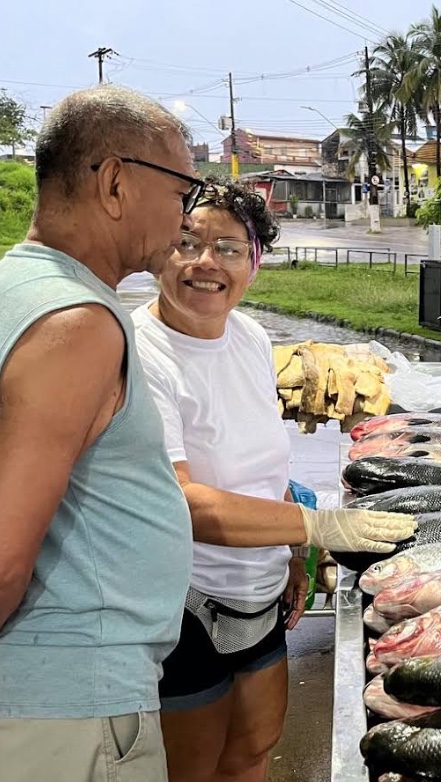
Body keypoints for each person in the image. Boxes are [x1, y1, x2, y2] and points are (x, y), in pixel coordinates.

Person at [132, 177, 416, 782]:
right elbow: (178, 499)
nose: (206, 263)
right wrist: (318, 523)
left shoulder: (252, 337)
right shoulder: (141, 351)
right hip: (184, 599)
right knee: (192, 766)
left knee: (255, 747)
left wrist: (293, 549)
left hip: (259, 588)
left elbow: (264, 464)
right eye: (187, 242)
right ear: (159, 249)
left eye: (230, 248)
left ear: (254, 264)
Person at [0, 85, 199, 780]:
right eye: (183, 191)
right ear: (116, 182)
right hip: (68, 712)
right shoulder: (77, 324)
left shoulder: (17, 285)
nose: (186, 217)